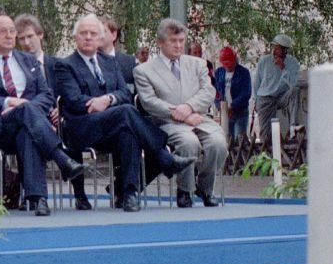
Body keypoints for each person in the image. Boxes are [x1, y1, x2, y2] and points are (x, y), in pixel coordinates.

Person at [53, 14, 195, 213]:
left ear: (100, 37)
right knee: (127, 113)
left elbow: (125, 94)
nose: (88, 37)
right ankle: (164, 156)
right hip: (82, 126)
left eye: (93, 33)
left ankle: (129, 194)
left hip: (113, 124)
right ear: (75, 37)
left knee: (128, 133)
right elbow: (74, 100)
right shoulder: (65, 65)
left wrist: (107, 100)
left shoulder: (109, 63)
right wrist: (103, 103)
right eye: (83, 33)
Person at [0, 13, 86, 215]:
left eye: (12, 31)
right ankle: (60, 157)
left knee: (27, 133)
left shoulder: (28, 60)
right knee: (26, 114)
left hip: (27, 126)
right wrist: (9, 102)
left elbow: (46, 96)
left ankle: (37, 199)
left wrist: (24, 108)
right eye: (3, 31)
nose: (9, 35)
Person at [133, 18, 227, 207]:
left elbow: (208, 91)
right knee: (188, 143)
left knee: (218, 144)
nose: (178, 46)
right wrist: (180, 112)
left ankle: (205, 187)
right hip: (167, 122)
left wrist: (190, 107)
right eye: (173, 41)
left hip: (199, 118)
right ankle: (185, 190)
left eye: (181, 41)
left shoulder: (198, 64)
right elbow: (149, 102)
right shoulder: (143, 71)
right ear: (160, 43)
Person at [253, 34, 300, 147]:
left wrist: (283, 68)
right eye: (274, 47)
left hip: (281, 96)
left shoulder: (292, 63)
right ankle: (268, 155)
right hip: (265, 99)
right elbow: (257, 83)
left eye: (278, 48)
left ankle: (293, 127)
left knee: (295, 91)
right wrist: (256, 101)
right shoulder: (264, 61)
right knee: (266, 136)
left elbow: (293, 83)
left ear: (284, 50)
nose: (274, 51)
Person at [213, 47, 252, 145]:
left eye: (230, 64)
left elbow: (246, 93)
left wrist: (233, 106)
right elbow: (215, 92)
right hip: (225, 113)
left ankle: (241, 159)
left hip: (240, 111)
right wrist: (221, 107)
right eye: (226, 65)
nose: (229, 67)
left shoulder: (244, 73)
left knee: (240, 140)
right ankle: (229, 160)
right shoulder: (218, 73)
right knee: (227, 140)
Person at [99, 16, 138, 86]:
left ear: (114, 35)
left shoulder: (129, 62)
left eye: (103, 31)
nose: (98, 35)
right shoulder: (88, 62)